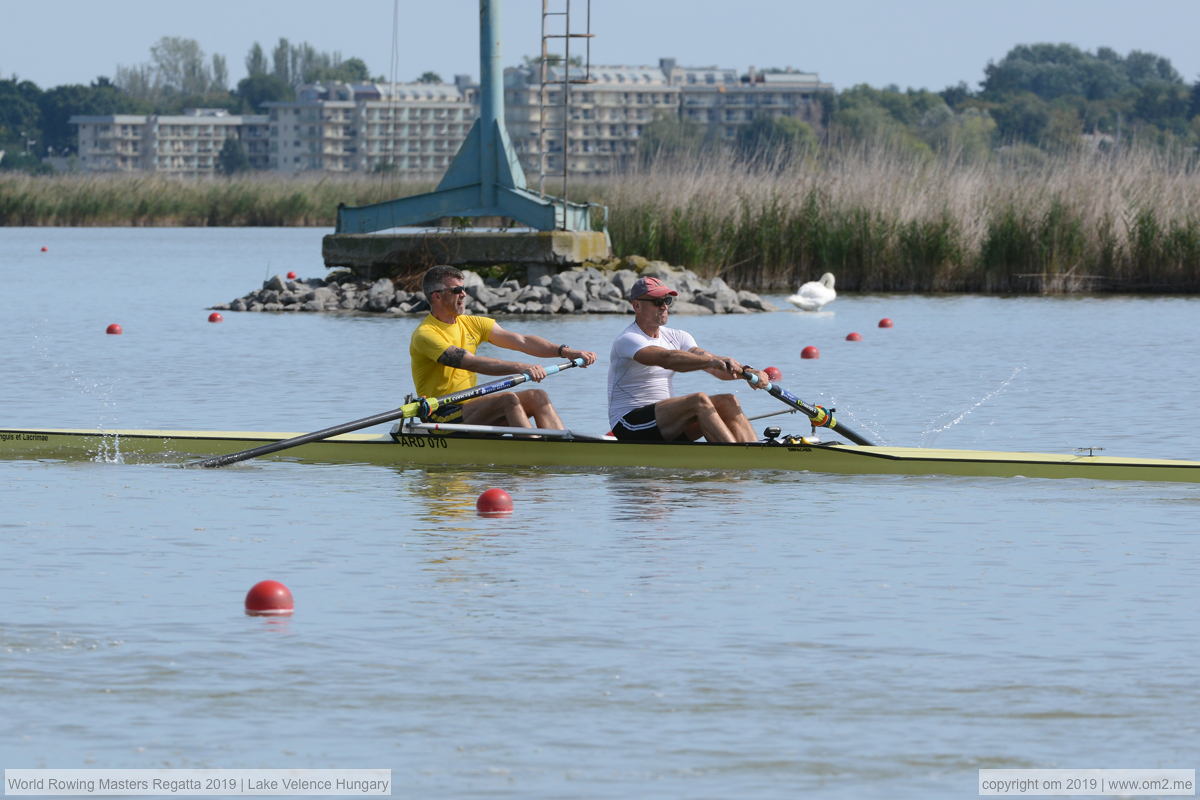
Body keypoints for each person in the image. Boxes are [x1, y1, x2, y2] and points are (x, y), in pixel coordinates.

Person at [409, 265, 596, 428]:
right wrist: (523, 368)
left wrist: (565, 352)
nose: (464, 294)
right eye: (457, 290)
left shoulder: (472, 323)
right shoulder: (426, 334)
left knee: (537, 396)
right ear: (437, 296)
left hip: (473, 408)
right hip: (441, 413)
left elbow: (522, 341)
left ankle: (561, 446)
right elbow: (472, 363)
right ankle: (533, 455)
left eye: (464, 289)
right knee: (508, 399)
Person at [607, 276, 768, 443]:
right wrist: (710, 361)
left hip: (666, 423)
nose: (664, 306)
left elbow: (713, 365)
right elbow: (667, 358)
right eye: (656, 302)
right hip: (630, 424)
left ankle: (753, 454)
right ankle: (735, 458)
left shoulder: (678, 336)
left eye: (667, 300)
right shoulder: (628, 339)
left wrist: (747, 372)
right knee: (699, 400)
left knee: (728, 401)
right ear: (636, 305)